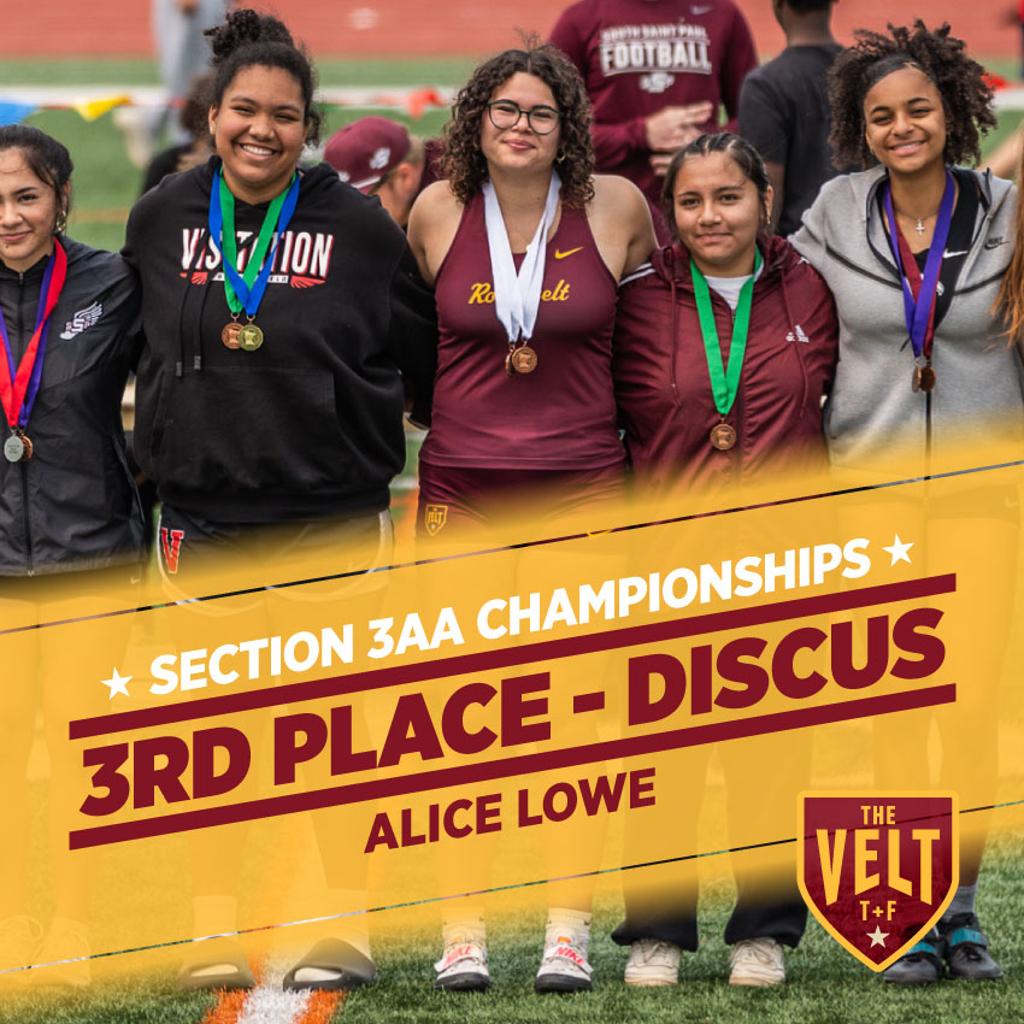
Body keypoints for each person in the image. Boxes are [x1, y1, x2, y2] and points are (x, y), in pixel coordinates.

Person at [123, 7, 437, 991]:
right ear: (212, 113)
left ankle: (339, 919)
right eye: (244, 111)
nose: (263, 130)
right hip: (203, 520)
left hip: (331, 519)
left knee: (333, 731)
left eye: (286, 117)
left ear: (310, 126)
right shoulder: (165, 213)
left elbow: (419, 357)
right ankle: (214, 922)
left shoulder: (357, 226)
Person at [406, 42, 655, 991]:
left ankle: (565, 931)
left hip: (584, 486)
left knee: (578, 715)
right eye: (504, 111)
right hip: (463, 490)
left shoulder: (619, 208)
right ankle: (462, 932)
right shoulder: (434, 210)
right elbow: (405, 346)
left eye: (540, 113)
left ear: (569, 128)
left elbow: (655, 341)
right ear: (476, 120)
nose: (520, 126)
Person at [792, 20, 1020, 984]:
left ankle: (960, 917)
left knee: (966, 716)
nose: (901, 128)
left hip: (983, 499)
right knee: (889, 716)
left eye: (919, 108)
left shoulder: (1005, 207)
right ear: (860, 125)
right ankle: (903, 910)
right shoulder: (837, 212)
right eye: (882, 115)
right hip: (870, 501)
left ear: (955, 111)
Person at [610, 131, 837, 987]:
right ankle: (657, 933)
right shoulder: (637, 300)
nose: (712, 216)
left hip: (782, 567)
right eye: (692, 201)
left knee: (772, 755)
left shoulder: (812, 290)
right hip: (665, 564)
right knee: (660, 756)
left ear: (764, 200)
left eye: (729, 197)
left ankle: (765, 932)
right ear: (670, 213)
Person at [0, 124, 144, 985]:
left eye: (24, 196)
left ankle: (76, 924)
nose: (7, 216)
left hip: (89, 558)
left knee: (87, 755)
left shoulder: (110, 284)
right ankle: (15, 917)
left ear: (60, 199)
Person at [549, 0, 758, 237]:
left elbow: (756, 121)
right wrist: (641, 134)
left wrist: (704, 149)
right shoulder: (580, 19)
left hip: (700, 217)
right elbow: (553, 130)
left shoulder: (722, 13)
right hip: (606, 215)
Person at [738, 0, 843, 236]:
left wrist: (764, 262)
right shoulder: (866, 73)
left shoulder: (765, 85)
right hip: (867, 247)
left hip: (799, 251)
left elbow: (767, 189)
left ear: (778, 4)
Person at [324, 116, 443, 229]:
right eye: (339, 201)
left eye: (360, 199)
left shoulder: (451, 209)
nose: (347, 214)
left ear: (404, 177)